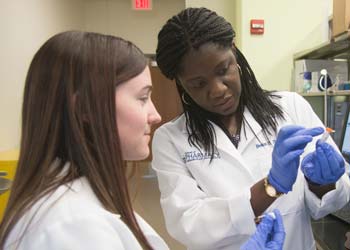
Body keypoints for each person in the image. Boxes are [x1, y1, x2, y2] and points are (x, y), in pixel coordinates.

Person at [0, 30, 284, 250]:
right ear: (85, 108)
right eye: (142, 98)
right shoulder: (70, 225)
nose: (156, 115)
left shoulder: (81, 202)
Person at [152, 7, 350, 250]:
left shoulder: (291, 107)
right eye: (198, 84)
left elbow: (332, 201)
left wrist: (323, 182)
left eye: (223, 70)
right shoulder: (171, 140)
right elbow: (188, 224)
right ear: (181, 83)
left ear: (234, 52)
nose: (217, 90)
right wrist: (271, 186)